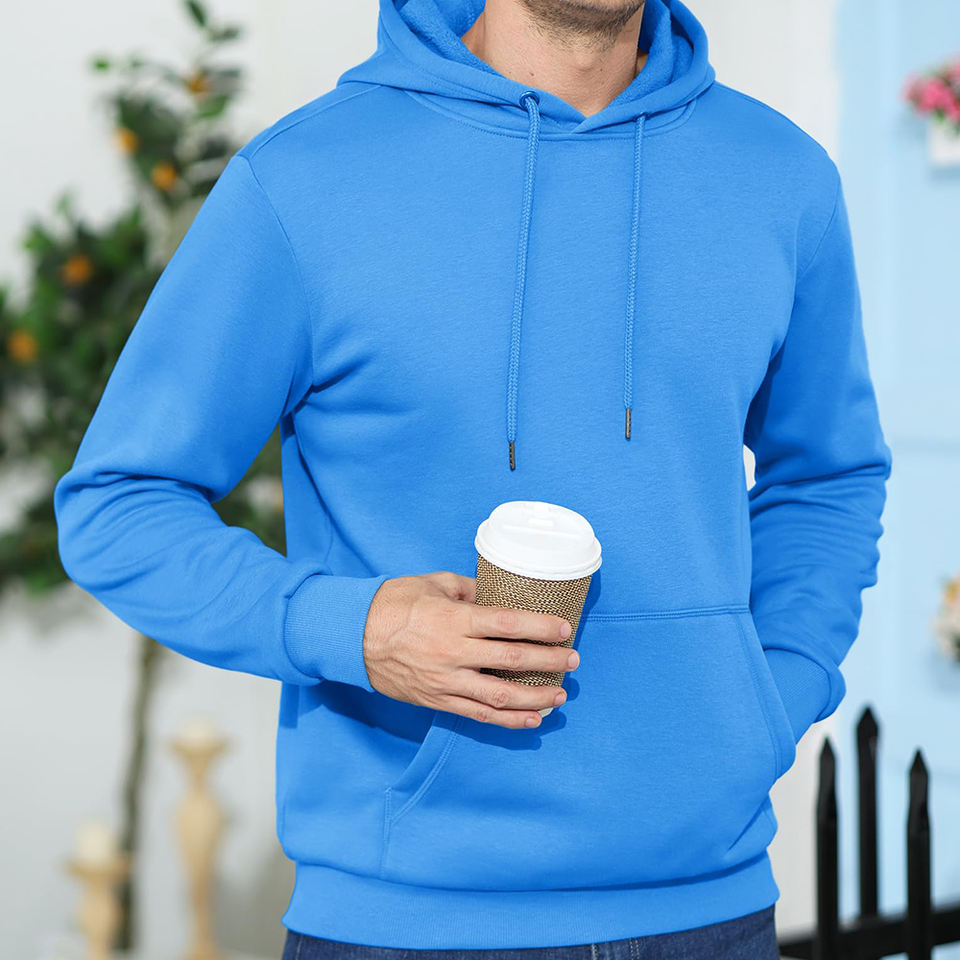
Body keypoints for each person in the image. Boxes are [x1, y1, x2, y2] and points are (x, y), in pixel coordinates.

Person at [53, 0, 893, 957]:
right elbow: (118, 505)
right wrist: (358, 628)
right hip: (402, 924)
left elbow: (827, 476)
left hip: (712, 912)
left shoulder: (781, 178)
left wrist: (773, 693)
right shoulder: (306, 180)